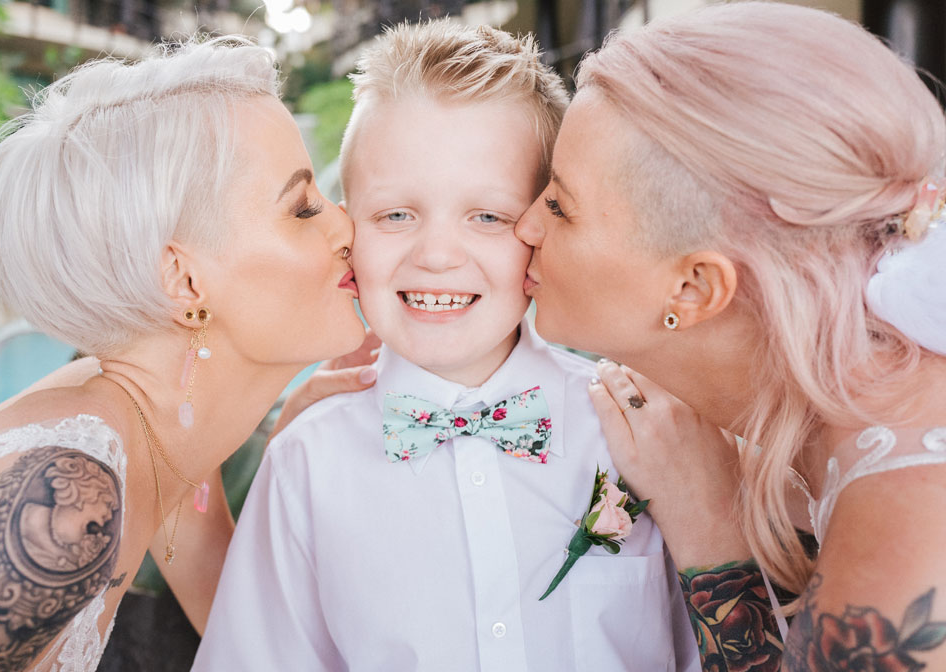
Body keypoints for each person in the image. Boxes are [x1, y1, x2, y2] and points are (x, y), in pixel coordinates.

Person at [194, 20, 699, 671]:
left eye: (487, 216)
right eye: (396, 215)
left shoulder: (642, 434)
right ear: (348, 230)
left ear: (541, 226)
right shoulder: (305, 463)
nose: (436, 255)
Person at [513, 2, 946, 669]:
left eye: (560, 206)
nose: (526, 225)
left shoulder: (903, 532)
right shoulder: (861, 406)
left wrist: (710, 531)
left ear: (693, 288)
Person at [0, 37, 368, 672]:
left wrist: (286, 457)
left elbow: (253, 640)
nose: (349, 225)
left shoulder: (169, 438)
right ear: (184, 281)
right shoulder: (63, 495)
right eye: (304, 208)